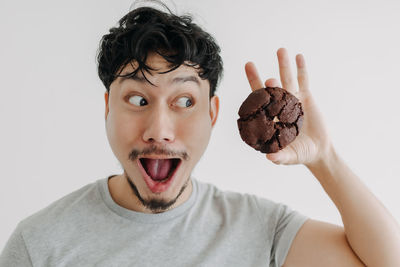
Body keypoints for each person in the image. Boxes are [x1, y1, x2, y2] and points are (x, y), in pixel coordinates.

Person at [1, 3, 400, 267]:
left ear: (213, 114)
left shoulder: (262, 230)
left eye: (184, 102)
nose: (159, 130)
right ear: (108, 107)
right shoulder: (39, 246)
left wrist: (324, 157)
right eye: (138, 100)